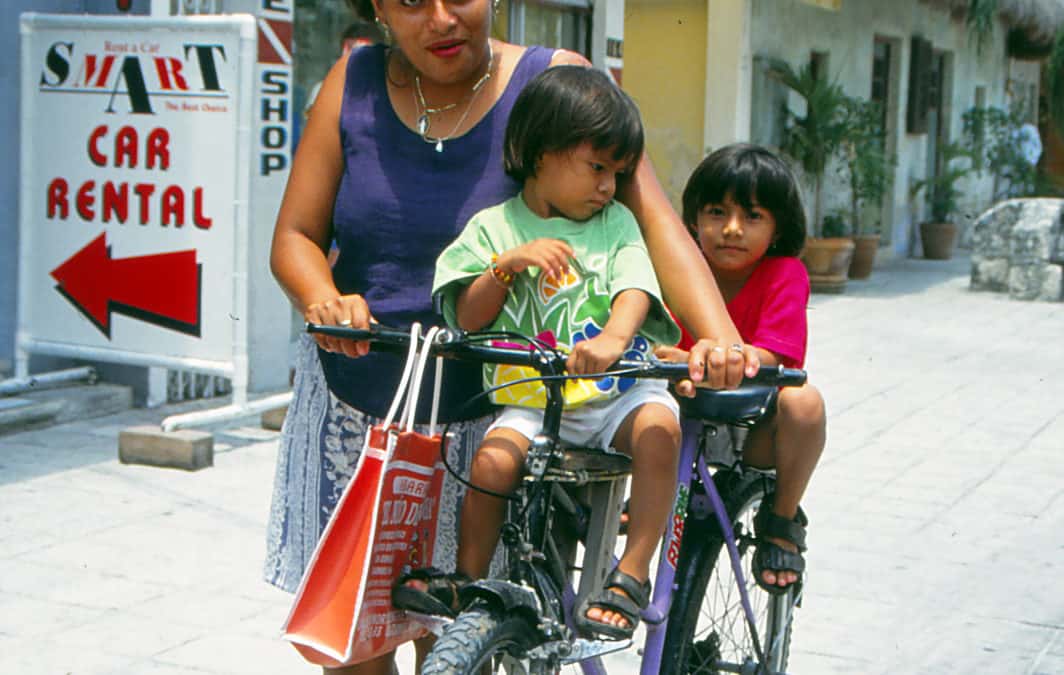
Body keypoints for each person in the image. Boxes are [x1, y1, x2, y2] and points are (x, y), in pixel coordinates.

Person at [265, 0, 759, 670]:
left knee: (474, 644)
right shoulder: (349, 83)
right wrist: (323, 297)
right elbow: (295, 235)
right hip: (360, 410)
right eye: (412, 1)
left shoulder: (555, 83)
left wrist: (721, 339)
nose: (442, 18)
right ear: (376, 5)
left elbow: (654, 225)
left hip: (498, 415)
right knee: (352, 646)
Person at [412, 65, 680, 640]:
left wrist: (612, 339)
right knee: (490, 462)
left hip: (616, 394)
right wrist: (505, 267)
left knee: (660, 429)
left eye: (619, 173)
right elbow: (466, 316)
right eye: (597, 168)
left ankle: (631, 572)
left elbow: (635, 287)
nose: (609, 186)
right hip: (535, 400)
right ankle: (469, 578)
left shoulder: (615, 224)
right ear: (540, 154)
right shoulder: (494, 227)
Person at [669, 143, 827, 594]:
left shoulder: (785, 273)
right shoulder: (679, 270)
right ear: (694, 218)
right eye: (717, 212)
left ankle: (781, 519)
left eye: (753, 216)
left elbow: (774, 356)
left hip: (755, 422)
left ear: (778, 227)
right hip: (678, 416)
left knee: (805, 402)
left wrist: (697, 357)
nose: (732, 229)